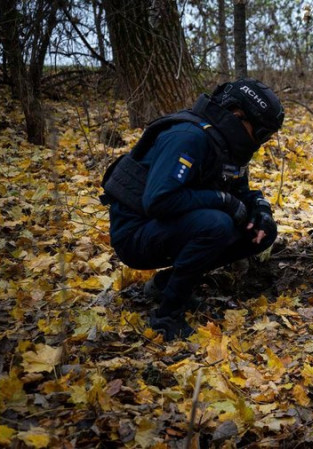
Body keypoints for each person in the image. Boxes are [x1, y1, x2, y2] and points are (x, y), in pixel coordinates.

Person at [101, 79, 284, 340]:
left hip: (170, 224)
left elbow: (239, 190)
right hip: (135, 234)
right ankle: (166, 316)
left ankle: (166, 285)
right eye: (261, 133)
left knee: (261, 231)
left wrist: (260, 209)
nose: (261, 141)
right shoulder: (188, 136)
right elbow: (159, 200)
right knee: (216, 224)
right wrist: (223, 200)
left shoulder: (225, 143)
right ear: (236, 115)